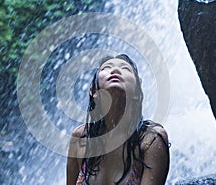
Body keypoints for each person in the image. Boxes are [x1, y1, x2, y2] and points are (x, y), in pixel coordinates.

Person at [67, 54, 169, 185]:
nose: (115, 70)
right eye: (107, 68)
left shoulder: (150, 141)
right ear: (94, 92)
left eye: (125, 69)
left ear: (137, 94)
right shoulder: (81, 139)